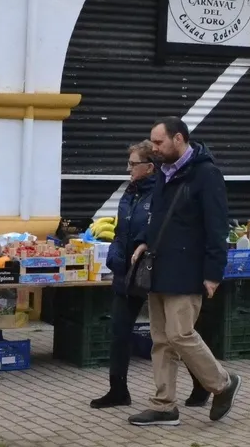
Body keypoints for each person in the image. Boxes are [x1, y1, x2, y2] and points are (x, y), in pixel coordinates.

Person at [127, 116, 241, 427]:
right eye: (153, 142)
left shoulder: (206, 174)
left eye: (159, 142)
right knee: (161, 340)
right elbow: (157, 216)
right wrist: (144, 240)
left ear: (179, 139)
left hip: (188, 270)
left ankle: (223, 383)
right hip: (158, 268)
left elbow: (217, 227)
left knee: (180, 334)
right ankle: (164, 406)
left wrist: (213, 273)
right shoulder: (163, 172)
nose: (154, 148)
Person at [90, 141, 157, 409]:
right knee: (119, 331)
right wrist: (115, 254)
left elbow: (159, 230)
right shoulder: (129, 194)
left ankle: (201, 383)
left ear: (149, 167)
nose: (128, 168)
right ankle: (118, 390)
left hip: (150, 272)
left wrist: (144, 243)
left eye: (133, 164)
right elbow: (120, 231)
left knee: (172, 336)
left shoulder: (162, 195)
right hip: (125, 272)